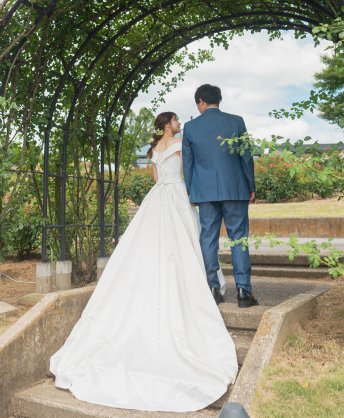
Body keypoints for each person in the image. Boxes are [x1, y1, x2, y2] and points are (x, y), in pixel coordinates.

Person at [50, 112, 238, 412]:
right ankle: (200, 284)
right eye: (176, 121)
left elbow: (156, 178)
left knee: (147, 245)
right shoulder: (178, 143)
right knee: (185, 242)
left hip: (158, 196)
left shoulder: (153, 151)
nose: (179, 124)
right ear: (168, 125)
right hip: (176, 194)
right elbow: (188, 169)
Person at [182, 84, 257, 308]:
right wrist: (250, 185)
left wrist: (191, 192)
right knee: (239, 238)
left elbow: (188, 164)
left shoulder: (190, 127)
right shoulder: (236, 121)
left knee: (208, 238)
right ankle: (243, 291)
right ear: (218, 100)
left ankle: (213, 289)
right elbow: (246, 157)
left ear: (201, 102)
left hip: (204, 193)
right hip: (235, 189)